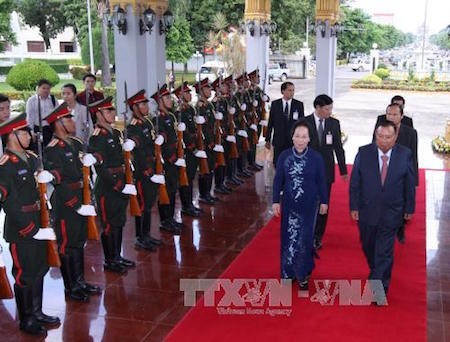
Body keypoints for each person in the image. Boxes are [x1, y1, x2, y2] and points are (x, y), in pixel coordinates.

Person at [0, 113, 60, 336]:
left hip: (39, 221)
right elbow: (9, 203)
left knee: (40, 268)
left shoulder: (32, 158)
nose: (29, 136)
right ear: (12, 135)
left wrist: (47, 178)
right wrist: (29, 229)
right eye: (24, 132)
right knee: (24, 274)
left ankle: (37, 311)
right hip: (21, 229)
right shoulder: (5, 165)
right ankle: (26, 319)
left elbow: (41, 191)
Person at [350, 121, 415, 301]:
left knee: (384, 251)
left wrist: (409, 207)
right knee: (368, 246)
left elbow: (409, 184)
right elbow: (355, 182)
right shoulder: (364, 153)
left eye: (388, 137)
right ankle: (376, 270)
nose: (384, 141)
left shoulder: (405, 154)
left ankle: (379, 290)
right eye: (381, 136)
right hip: (367, 210)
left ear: (395, 137)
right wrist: (354, 206)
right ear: (375, 135)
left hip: (392, 211)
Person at [43, 103, 102, 302]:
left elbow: (88, 158)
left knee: (78, 241)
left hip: (81, 197)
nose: (73, 121)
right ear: (58, 123)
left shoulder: (75, 143)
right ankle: (71, 287)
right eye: (68, 119)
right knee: (67, 245)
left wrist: (91, 157)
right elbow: (57, 180)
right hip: (66, 203)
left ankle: (80, 281)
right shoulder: (52, 149)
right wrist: (76, 203)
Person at [272, 121, 328, 290]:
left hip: (309, 205)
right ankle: (288, 272)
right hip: (290, 204)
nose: (300, 140)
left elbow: (321, 181)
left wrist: (324, 201)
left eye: (304, 136)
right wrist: (275, 201)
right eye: (297, 136)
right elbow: (278, 180)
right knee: (289, 238)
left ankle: (303, 273)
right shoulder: (284, 156)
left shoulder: (316, 158)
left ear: (310, 138)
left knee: (305, 239)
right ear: (292, 137)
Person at [88, 97, 137, 274]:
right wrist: (118, 185)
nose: (113, 113)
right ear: (98, 114)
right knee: (109, 225)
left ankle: (117, 255)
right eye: (108, 111)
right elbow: (100, 168)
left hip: (121, 181)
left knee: (119, 221)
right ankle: (110, 260)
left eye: (112, 110)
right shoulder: (97, 137)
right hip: (108, 188)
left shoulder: (115, 133)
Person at [301, 94, 348, 250]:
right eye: (327, 109)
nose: (330, 111)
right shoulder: (304, 123)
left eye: (331, 108)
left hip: (326, 172)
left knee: (323, 204)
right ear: (318, 108)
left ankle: (317, 236)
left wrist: (343, 170)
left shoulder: (334, 124)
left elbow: (338, 148)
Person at [373, 103, 418, 243]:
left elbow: (414, 156)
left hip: (402, 174)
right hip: (383, 171)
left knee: (401, 203)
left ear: (402, 116)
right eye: (389, 114)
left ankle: (400, 229)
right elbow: (372, 149)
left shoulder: (410, 133)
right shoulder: (380, 129)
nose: (391, 117)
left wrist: (414, 178)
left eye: (394, 115)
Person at [125, 89, 163, 249]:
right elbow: (137, 154)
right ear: (135, 108)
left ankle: (146, 234)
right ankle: (140, 238)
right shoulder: (133, 127)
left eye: (146, 103)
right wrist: (148, 172)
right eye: (142, 104)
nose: (146, 106)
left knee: (148, 204)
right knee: (142, 205)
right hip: (143, 172)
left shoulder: (147, 122)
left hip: (153, 167)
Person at [151, 84, 185, 233]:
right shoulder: (157, 119)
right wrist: (171, 158)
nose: (170, 100)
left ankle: (170, 218)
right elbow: (160, 145)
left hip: (174, 159)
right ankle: (165, 221)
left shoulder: (170, 116)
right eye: (166, 98)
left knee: (172, 190)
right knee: (165, 190)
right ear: (159, 101)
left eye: (169, 97)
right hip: (166, 161)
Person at [173, 82, 204, 216]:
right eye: (186, 93)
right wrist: (191, 146)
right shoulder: (178, 112)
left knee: (191, 177)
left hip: (194, 146)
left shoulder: (190, 109)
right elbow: (182, 135)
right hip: (186, 150)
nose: (190, 94)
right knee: (185, 178)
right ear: (180, 95)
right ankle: (186, 206)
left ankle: (190, 203)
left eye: (189, 92)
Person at [265, 81, 304, 167]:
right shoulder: (275, 104)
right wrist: (267, 139)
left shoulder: (299, 105)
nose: (292, 93)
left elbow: (302, 124)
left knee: (292, 164)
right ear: (283, 91)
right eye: (289, 90)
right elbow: (271, 122)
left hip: (293, 141)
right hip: (279, 140)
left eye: (293, 90)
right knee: (278, 164)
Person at [26, 79, 57, 150]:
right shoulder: (32, 100)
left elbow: (57, 114)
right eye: (43, 88)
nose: (46, 90)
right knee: (38, 150)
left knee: (50, 150)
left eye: (48, 88)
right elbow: (29, 118)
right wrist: (31, 131)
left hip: (50, 129)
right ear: (38, 88)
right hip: (37, 129)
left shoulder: (53, 99)